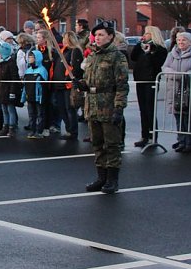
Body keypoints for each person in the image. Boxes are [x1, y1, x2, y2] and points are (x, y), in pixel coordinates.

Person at [74, 23, 129, 193]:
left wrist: (119, 108)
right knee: (97, 144)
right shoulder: (91, 56)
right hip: (92, 105)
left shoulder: (117, 57)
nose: (97, 38)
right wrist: (81, 85)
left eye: (101, 35)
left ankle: (112, 179)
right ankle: (101, 177)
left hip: (108, 105)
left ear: (110, 36)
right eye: (96, 35)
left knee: (111, 144)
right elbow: (89, 81)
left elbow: (121, 85)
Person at [129, 26, 168, 147]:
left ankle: (152, 135)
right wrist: (139, 45)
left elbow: (157, 63)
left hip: (151, 81)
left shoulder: (160, 49)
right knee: (142, 109)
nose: (144, 36)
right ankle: (144, 135)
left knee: (150, 109)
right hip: (140, 80)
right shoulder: (142, 47)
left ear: (153, 35)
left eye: (147, 34)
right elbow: (133, 57)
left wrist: (149, 53)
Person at [160, 31, 191, 153]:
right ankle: (181, 140)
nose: (181, 42)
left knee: (187, 118)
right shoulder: (171, 54)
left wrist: (183, 75)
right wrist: (178, 75)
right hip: (174, 91)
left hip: (188, 90)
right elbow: (164, 68)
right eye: (179, 40)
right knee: (178, 116)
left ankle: (189, 142)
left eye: (184, 40)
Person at [58, 32, 85, 140]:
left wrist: (70, 78)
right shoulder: (65, 51)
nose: (63, 40)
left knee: (70, 108)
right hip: (62, 84)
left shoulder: (75, 51)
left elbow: (76, 68)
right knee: (63, 108)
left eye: (65, 38)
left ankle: (72, 131)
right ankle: (69, 129)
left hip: (69, 85)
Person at [0, 41, 23, 136]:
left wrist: (12, 92)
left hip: (9, 90)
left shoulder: (11, 63)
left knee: (10, 109)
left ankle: (12, 127)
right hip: (1, 90)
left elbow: (14, 78)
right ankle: (5, 127)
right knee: (4, 109)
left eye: (0, 53)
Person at [22, 49, 49, 139]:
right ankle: (32, 130)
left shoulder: (42, 70)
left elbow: (44, 86)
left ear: (37, 58)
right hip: (29, 96)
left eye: (32, 57)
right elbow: (25, 85)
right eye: (29, 57)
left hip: (39, 97)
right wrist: (23, 97)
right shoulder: (28, 70)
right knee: (31, 115)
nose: (30, 59)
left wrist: (42, 97)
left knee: (40, 114)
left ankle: (40, 131)